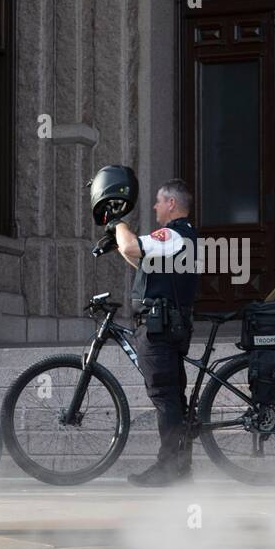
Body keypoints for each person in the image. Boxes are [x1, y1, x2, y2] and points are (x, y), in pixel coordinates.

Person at [113, 180, 199, 487]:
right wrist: (120, 238)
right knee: (173, 397)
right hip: (169, 325)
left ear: (172, 204)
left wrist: (117, 222)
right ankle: (180, 467)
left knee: (165, 397)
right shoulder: (181, 236)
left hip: (159, 328)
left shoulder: (173, 233)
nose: (154, 207)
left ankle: (168, 468)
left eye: (159, 202)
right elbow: (137, 258)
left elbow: (129, 246)